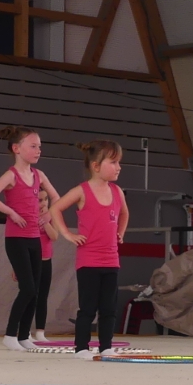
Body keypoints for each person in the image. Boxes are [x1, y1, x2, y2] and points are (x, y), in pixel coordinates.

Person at [0, 126, 61, 352]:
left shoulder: (39, 175)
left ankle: (25, 335)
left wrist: (48, 214)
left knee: (34, 290)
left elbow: (56, 197)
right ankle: (10, 334)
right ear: (17, 148)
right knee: (27, 288)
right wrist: (11, 213)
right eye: (33, 146)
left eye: (39, 147)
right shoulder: (11, 175)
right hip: (16, 238)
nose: (38, 151)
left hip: (35, 238)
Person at [49, 140, 127, 360]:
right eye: (113, 162)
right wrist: (68, 234)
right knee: (88, 308)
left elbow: (124, 213)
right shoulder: (82, 191)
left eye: (119, 162)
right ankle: (81, 347)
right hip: (89, 261)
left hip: (111, 261)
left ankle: (106, 347)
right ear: (96, 166)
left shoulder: (117, 191)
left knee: (109, 308)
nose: (118, 167)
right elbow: (55, 209)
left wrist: (120, 232)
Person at [32, 185, 56, 343]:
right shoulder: (28, 215)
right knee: (29, 295)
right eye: (39, 200)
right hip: (31, 260)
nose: (43, 203)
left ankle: (40, 331)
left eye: (46, 199)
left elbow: (54, 236)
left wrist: (45, 222)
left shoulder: (52, 214)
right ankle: (25, 330)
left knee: (42, 297)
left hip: (46, 260)